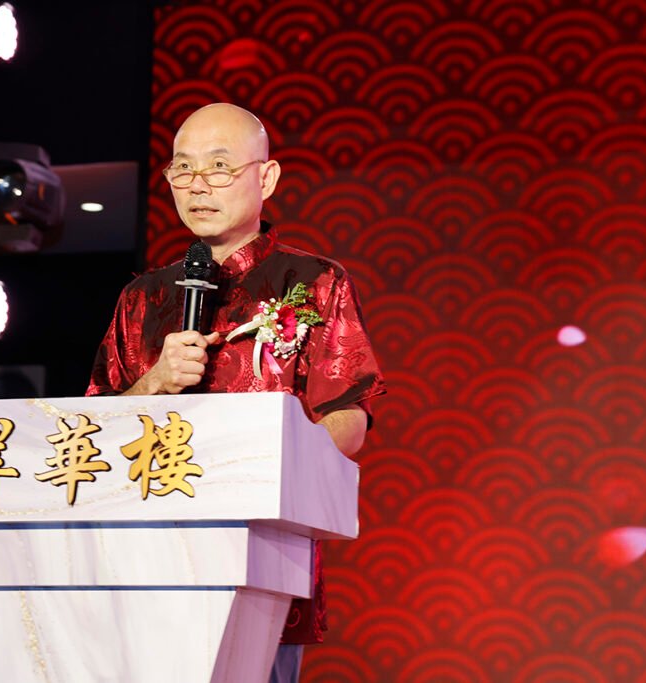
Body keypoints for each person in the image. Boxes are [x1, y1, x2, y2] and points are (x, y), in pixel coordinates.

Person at [87, 103, 385, 682]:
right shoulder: (142, 297)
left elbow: (349, 417)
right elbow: (92, 433)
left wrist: (269, 463)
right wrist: (153, 382)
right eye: (183, 168)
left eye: (219, 167)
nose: (198, 185)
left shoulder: (314, 282)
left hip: (261, 556)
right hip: (145, 561)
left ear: (265, 178)